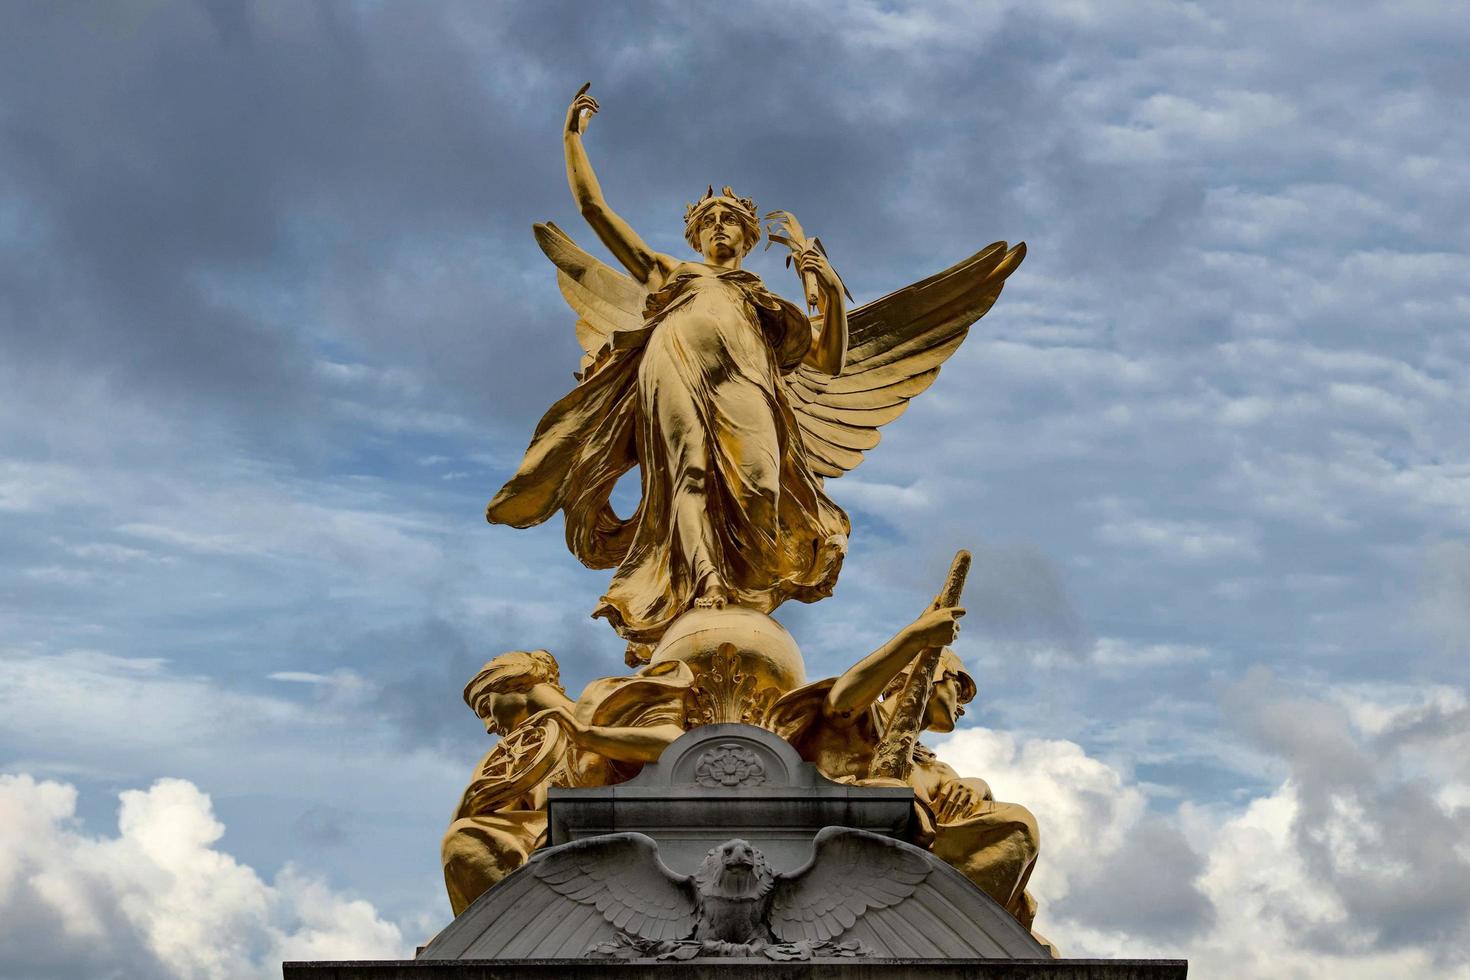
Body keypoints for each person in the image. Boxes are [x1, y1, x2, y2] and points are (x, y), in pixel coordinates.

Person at [486, 85, 850, 644]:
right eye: (710, 220)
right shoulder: (671, 275)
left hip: (747, 380)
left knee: (760, 483)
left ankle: (747, 583)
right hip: (674, 367)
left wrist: (824, 284)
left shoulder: (766, 305)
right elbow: (594, 211)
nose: (720, 226)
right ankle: (705, 582)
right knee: (691, 475)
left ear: (749, 237)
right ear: (696, 234)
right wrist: (571, 140)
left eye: (731, 220)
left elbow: (830, 360)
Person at [767, 608, 1044, 933]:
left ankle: (957, 934)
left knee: (1017, 826)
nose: (963, 706)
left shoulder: (934, 768)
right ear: (933, 672)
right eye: (959, 686)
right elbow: (839, 703)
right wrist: (914, 639)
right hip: (835, 867)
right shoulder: (861, 720)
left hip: (905, 880)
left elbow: (967, 824)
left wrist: (979, 785)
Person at [441, 650, 693, 915]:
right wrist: (469, 804)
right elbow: (474, 838)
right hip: (544, 853)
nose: (489, 726)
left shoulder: (603, 702)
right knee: (461, 838)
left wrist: (585, 736)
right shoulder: (515, 758)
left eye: (486, 709)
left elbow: (677, 746)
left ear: (515, 683)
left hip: (617, 840)